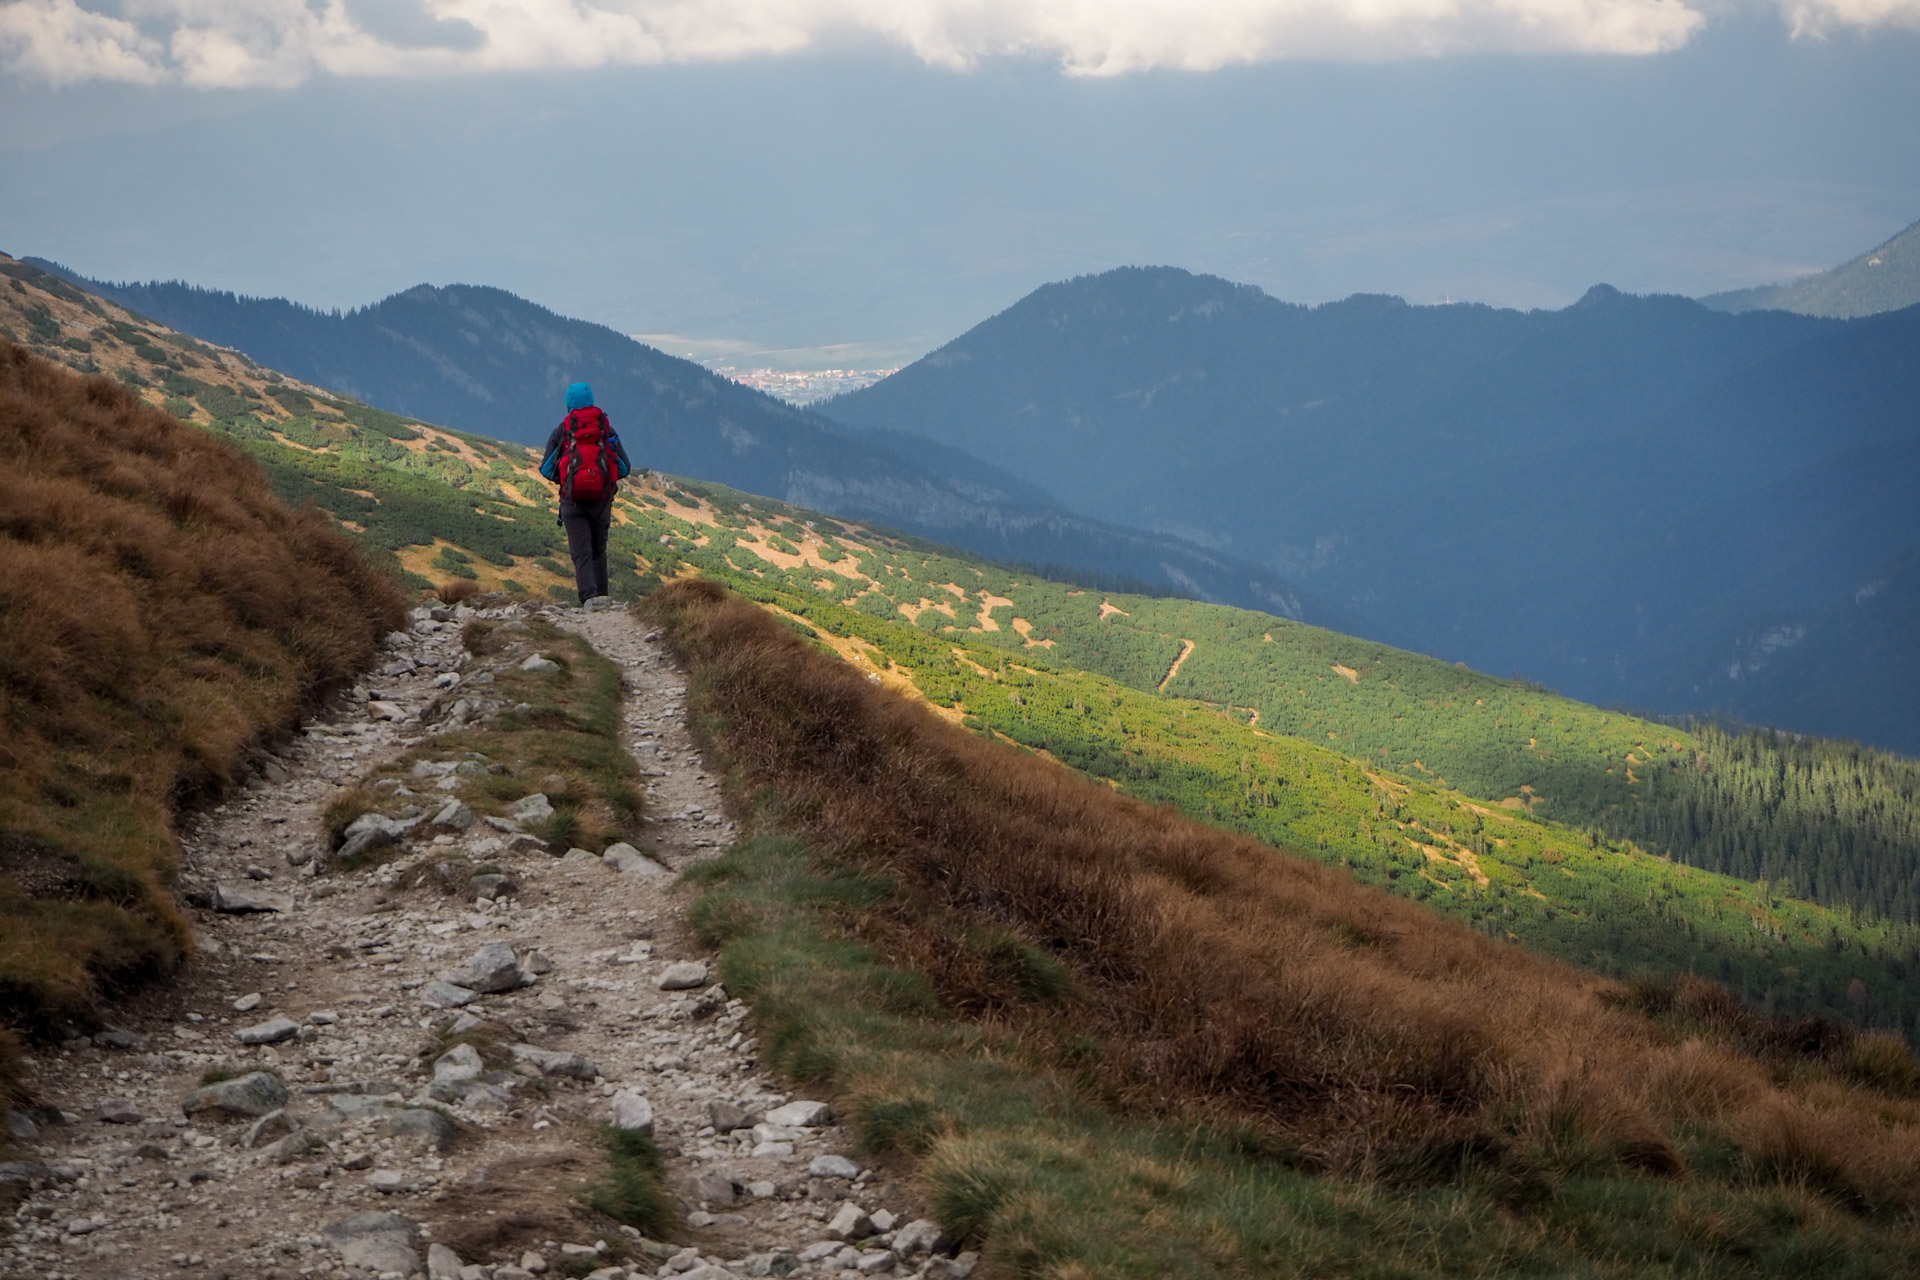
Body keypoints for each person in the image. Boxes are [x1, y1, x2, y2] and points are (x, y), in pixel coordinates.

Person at [539, 381, 633, 604]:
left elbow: (546, 469)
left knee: (581, 555)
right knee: (598, 552)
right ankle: (603, 600)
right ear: (591, 400)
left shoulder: (562, 431)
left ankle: (589, 601)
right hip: (601, 502)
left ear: (568, 404)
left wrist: (566, 481)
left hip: (572, 503)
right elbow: (624, 467)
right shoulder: (605, 429)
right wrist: (601, 480)